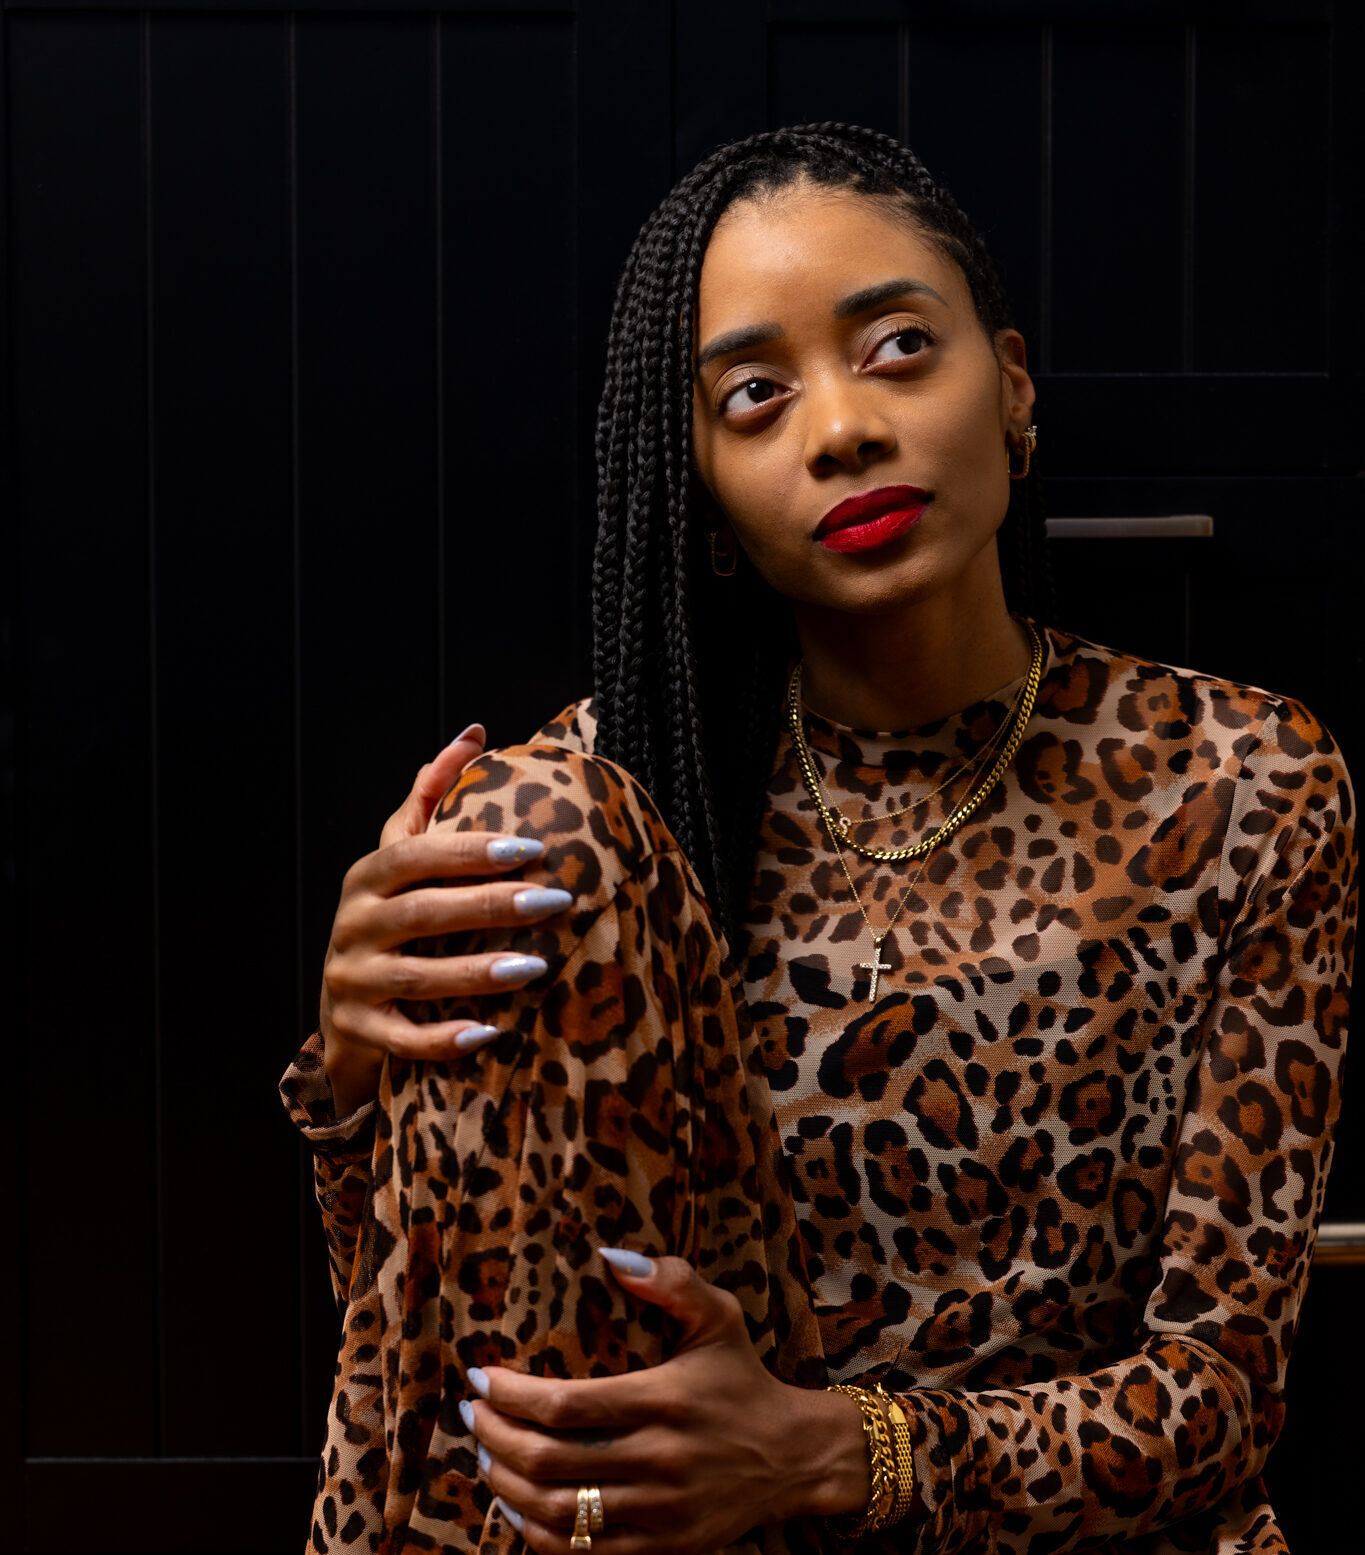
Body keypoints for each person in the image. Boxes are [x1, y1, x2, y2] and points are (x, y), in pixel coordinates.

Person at [280, 124, 1356, 1555]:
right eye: (753, 396)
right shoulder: (610, 803)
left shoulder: (1246, 779)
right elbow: (433, 1336)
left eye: (898, 346)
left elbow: (1221, 1395)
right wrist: (357, 1068)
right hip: (690, 1540)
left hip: (1089, 1534)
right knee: (530, 818)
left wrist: (841, 1456)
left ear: (1013, 386)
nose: (840, 427)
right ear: (708, 503)